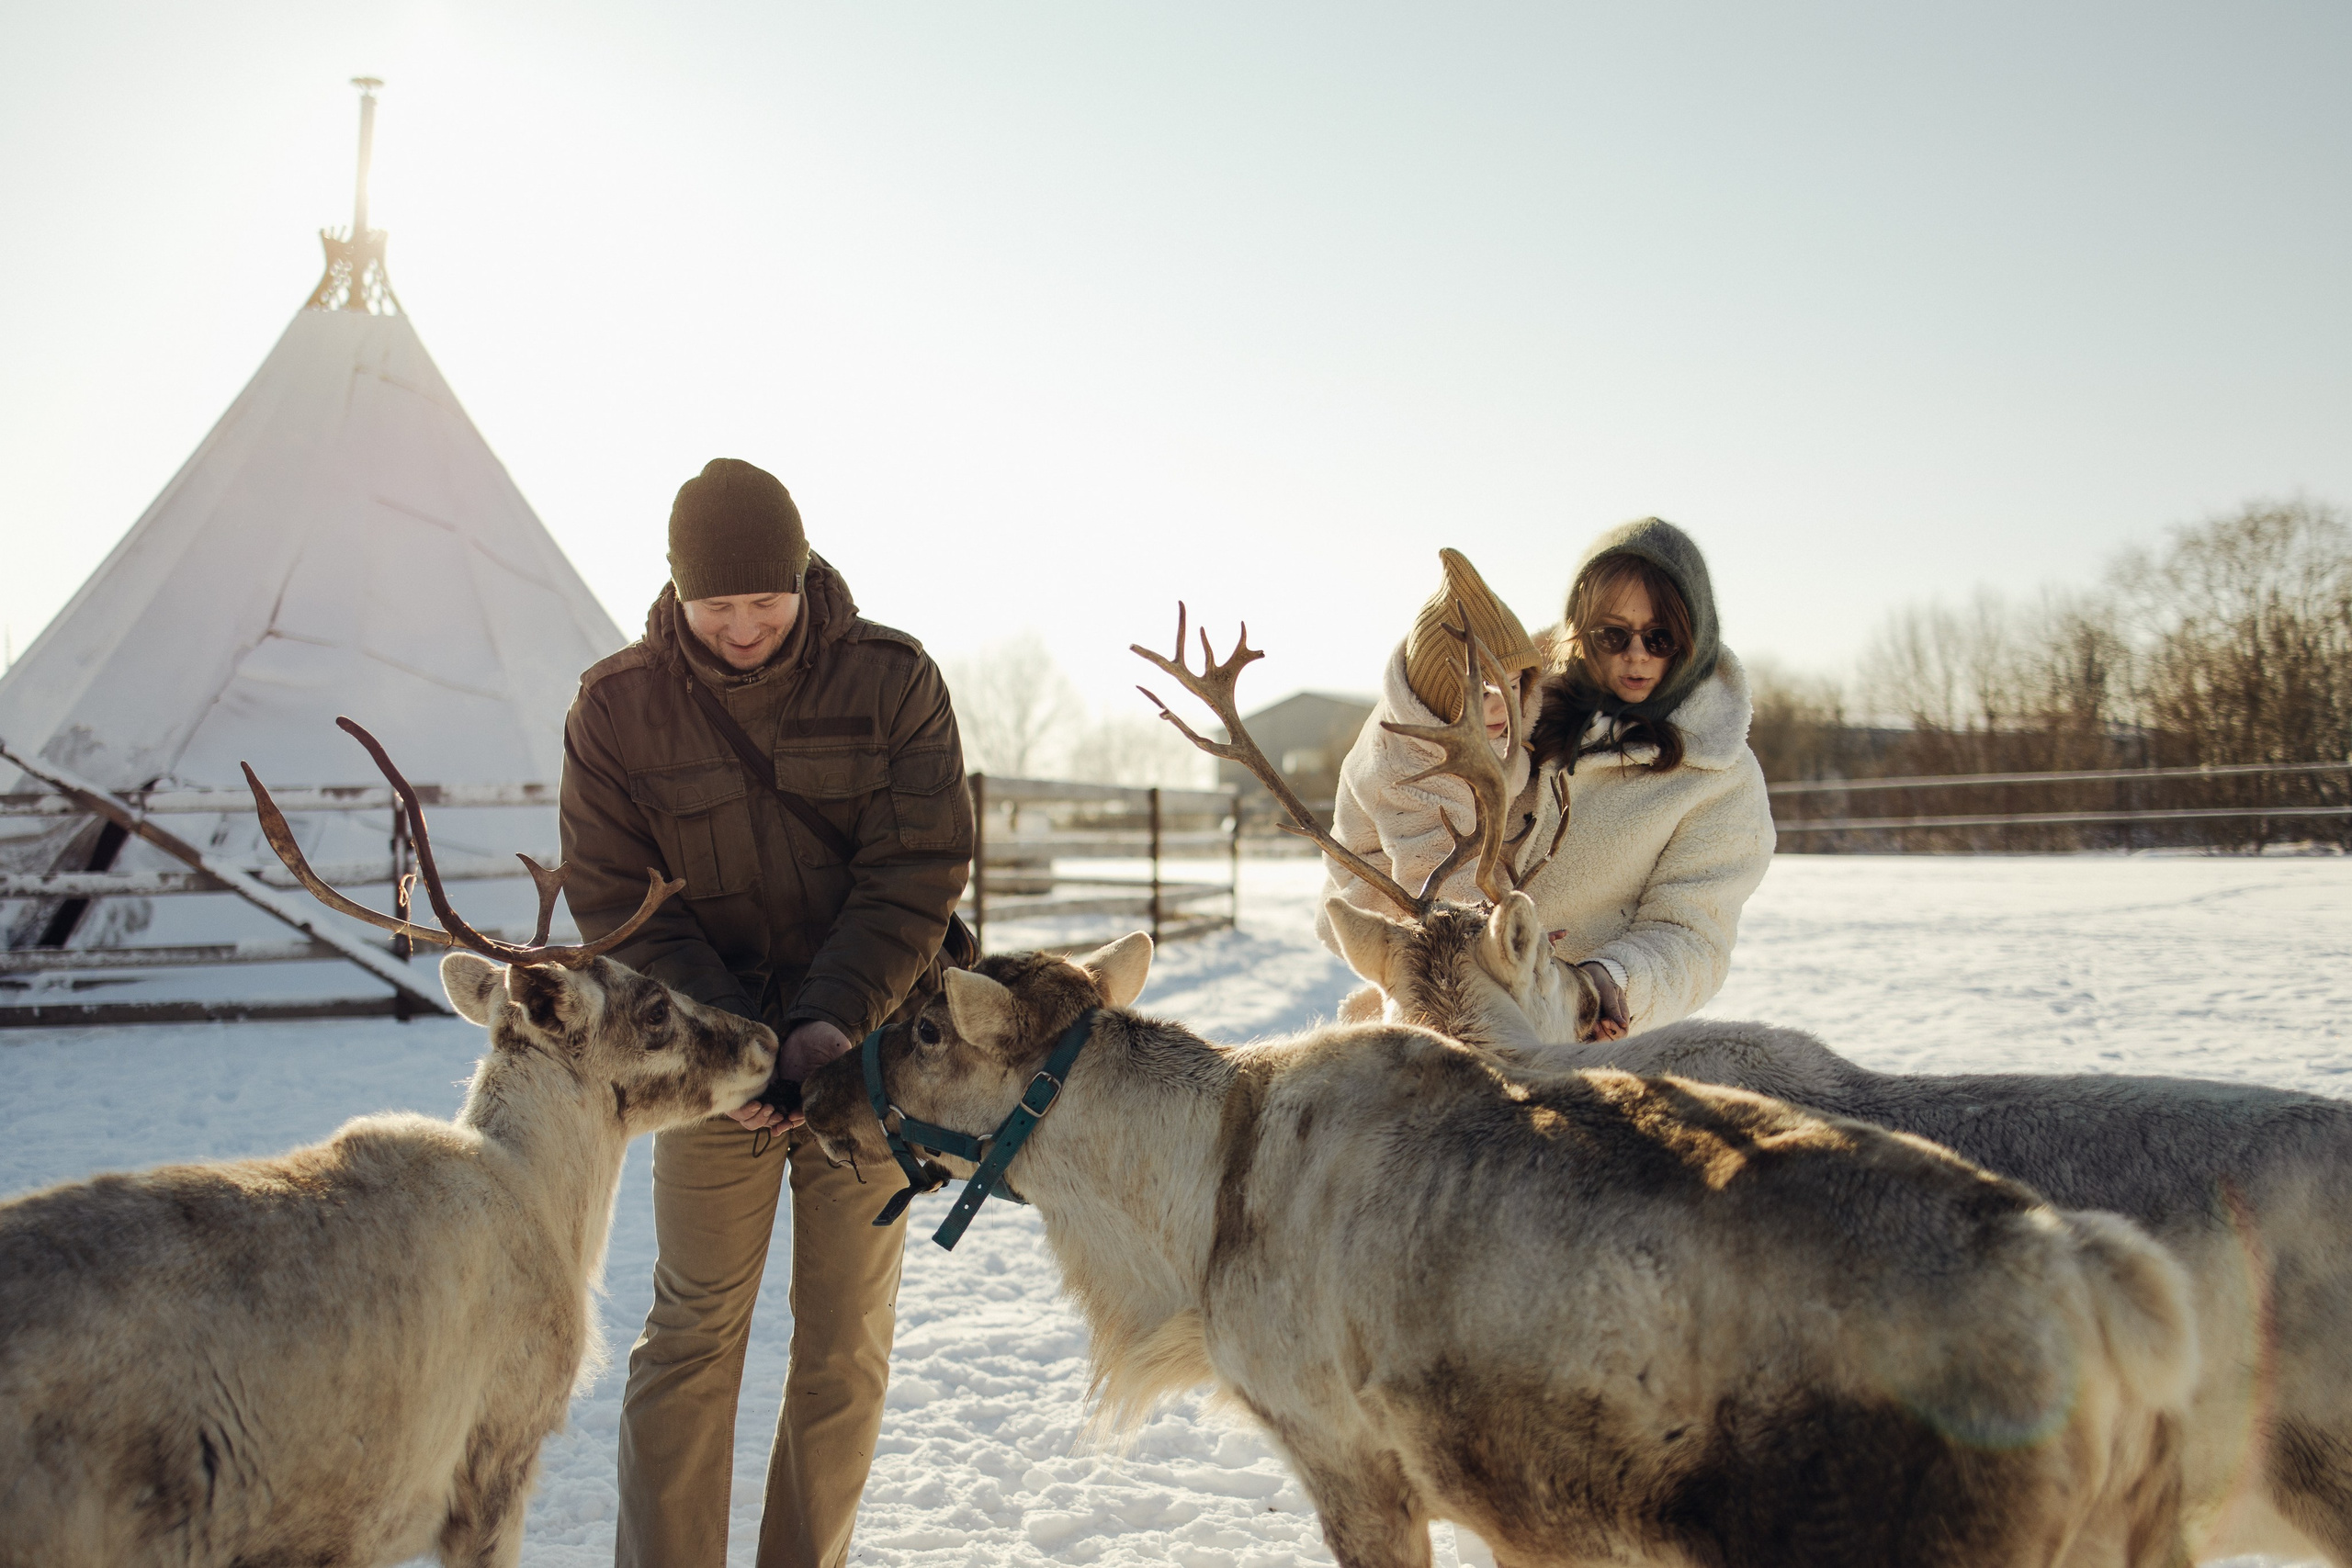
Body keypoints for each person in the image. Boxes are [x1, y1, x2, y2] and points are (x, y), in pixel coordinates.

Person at [559, 457, 973, 1568]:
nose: (742, 626)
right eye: (717, 603)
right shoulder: (614, 709)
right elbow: (614, 902)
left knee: (845, 1349)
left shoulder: (893, 680)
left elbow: (917, 870)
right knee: (692, 1339)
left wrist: (829, 1025)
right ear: (676, 591)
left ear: (801, 575)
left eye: (763, 599)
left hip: (868, 1056)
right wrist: (732, 1054)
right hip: (704, 1068)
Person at [1318, 522, 1774, 1039]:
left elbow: (1693, 935)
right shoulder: (1501, 702)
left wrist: (1607, 983)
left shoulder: (1720, 780)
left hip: (1581, 1050)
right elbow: (1366, 850)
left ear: (1696, 638)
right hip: (1430, 1027)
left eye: (1661, 637)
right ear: (1579, 629)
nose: (1637, 654)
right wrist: (1449, 941)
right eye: (1613, 634)